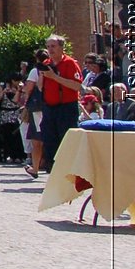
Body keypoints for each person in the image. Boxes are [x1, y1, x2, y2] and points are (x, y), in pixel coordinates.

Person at [37, 34, 83, 172]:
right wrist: (42, 75)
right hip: (49, 108)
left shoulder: (70, 63)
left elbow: (76, 86)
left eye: (53, 46)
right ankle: (53, 170)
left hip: (66, 108)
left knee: (66, 140)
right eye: (48, 46)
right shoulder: (46, 64)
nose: (50, 50)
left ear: (61, 47)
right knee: (49, 140)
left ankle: (69, 171)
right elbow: (40, 87)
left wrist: (54, 77)